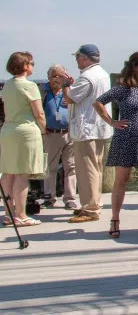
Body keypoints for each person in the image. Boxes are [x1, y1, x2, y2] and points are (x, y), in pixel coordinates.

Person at [93, 52, 138, 238]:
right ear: (135, 67)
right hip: (126, 138)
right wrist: (111, 122)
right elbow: (98, 102)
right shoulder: (123, 88)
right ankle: (115, 219)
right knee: (122, 179)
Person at [63, 44, 113, 223]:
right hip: (99, 128)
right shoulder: (103, 74)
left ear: (84, 58)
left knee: (87, 170)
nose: (76, 60)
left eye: (77, 57)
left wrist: (65, 86)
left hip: (87, 129)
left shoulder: (86, 77)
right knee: (96, 168)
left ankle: (90, 208)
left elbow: (69, 98)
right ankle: (94, 203)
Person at [0, 52, 45, 227]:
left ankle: (8, 213)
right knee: (22, 174)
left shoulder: (7, 86)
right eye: (31, 63)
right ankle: (20, 214)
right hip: (25, 131)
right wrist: (43, 129)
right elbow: (39, 113)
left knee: (8, 172)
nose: (33, 65)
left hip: (8, 130)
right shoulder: (29, 86)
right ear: (25, 65)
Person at [40, 64, 77, 210]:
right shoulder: (43, 91)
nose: (57, 79)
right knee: (50, 167)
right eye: (53, 75)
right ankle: (49, 197)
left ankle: (70, 198)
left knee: (71, 166)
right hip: (51, 133)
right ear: (48, 77)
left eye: (60, 76)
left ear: (65, 77)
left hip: (69, 133)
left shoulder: (69, 90)